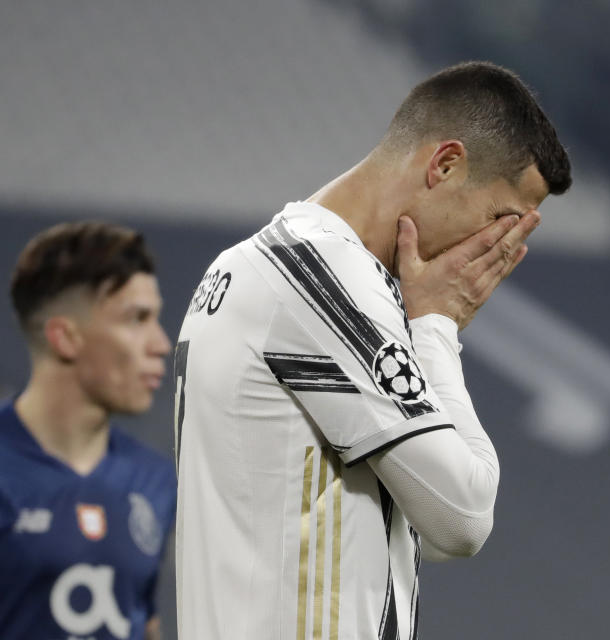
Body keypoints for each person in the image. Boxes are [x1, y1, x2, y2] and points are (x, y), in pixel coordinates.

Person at [174, 61, 571, 639]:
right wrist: (437, 327)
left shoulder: (250, 265)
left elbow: (421, 519)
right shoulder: (323, 277)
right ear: (446, 164)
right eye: (500, 219)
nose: (498, 247)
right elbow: (460, 516)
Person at [0, 221, 176, 640]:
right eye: (138, 319)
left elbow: (143, 618)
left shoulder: (156, 479)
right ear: (66, 338)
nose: (161, 343)